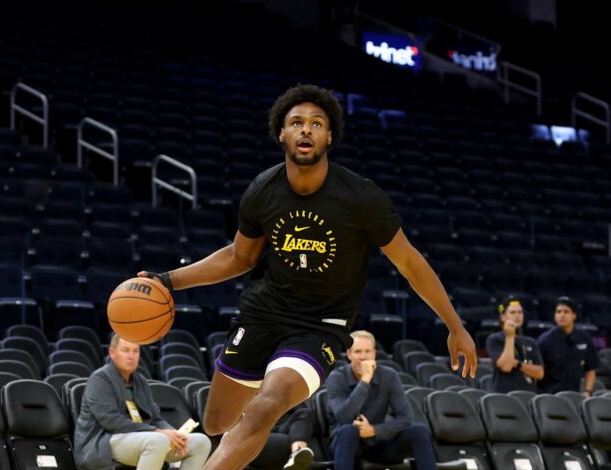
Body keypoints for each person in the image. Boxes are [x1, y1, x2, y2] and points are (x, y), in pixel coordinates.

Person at [139, 84, 477, 470]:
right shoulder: (263, 191)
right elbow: (238, 257)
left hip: (321, 325)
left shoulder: (361, 197)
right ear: (281, 133)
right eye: (296, 122)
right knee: (219, 421)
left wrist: (454, 325)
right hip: (262, 313)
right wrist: (167, 280)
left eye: (317, 123)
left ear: (329, 136)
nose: (306, 130)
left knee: (268, 402)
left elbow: (411, 263)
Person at [74, 335, 211, 470]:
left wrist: (174, 434)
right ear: (112, 352)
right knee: (158, 440)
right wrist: (158, 432)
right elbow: (111, 421)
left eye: (135, 351)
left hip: (141, 437)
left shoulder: (140, 381)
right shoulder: (100, 379)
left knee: (200, 442)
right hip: (103, 440)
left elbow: (155, 418)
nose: (131, 356)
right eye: (125, 350)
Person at [326, 330, 437, 470]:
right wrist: (365, 380)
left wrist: (374, 431)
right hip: (345, 445)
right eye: (357, 352)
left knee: (419, 431)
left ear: (374, 354)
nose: (363, 357)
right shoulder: (336, 377)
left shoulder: (389, 376)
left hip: (379, 442)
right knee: (349, 430)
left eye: (368, 351)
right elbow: (344, 417)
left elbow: (405, 418)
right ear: (348, 354)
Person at [538, 296, 600, 396]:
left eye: (566, 312)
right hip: (550, 396)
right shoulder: (545, 340)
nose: (562, 315)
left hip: (574, 395)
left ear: (574, 315)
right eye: (558, 312)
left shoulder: (585, 338)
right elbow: (537, 370)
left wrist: (588, 391)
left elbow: (591, 369)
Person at [485, 296, 544, 393]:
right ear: (503, 316)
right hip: (505, 396)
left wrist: (517, 364)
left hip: (528, 396)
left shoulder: (531, 342)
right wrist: (510, 337)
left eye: (520, 312)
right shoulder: (495, 339)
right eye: (512, 312)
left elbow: (539, 373)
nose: (517, 316)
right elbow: (506, 367)